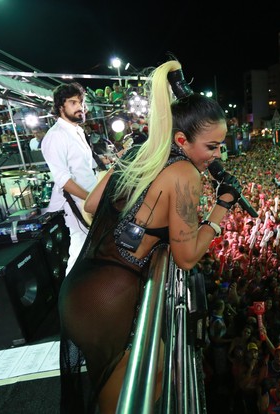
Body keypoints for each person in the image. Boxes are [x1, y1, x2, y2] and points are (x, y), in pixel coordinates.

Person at [58, 60, 241, 414]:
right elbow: (187, 257)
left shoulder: (139, 154)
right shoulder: (185, 172)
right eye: (213, 146)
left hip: (82, 288)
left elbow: (93, 205)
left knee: (149, 373)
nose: (218, 155)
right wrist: (222, 208)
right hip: (108, 298)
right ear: (182, 140)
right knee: (126, 401)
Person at [40, 82, 99, 275]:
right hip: (76, 203)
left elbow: (85, 167)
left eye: (80, 102)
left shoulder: (77, 130)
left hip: (90, 199)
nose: (80, 106)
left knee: (93, 246)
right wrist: (90, 198)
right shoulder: (55, 136)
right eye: (73, 102)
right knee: (79, 247)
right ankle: (70, 295)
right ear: (60, 107)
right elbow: (63, 179)